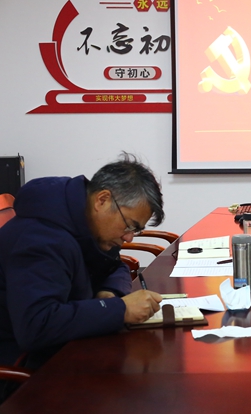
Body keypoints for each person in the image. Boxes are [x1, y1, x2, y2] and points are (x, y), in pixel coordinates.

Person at [0, 153, 165, 374]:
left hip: (64, 348)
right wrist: (120, 309)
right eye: (129, 225)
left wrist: (110, 292)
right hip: (23, 370)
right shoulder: (41, 239)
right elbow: (37, 326)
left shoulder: (84, 225)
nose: (129, 238)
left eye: (136, 230)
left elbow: (116, 266)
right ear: (102, 200)